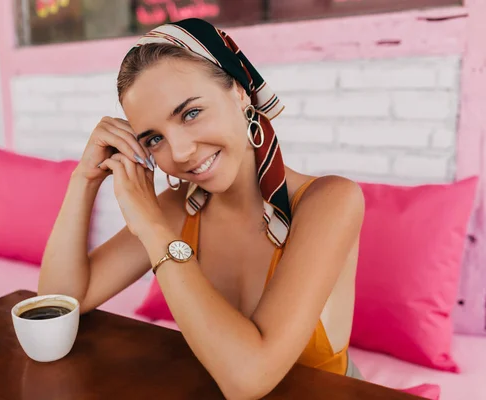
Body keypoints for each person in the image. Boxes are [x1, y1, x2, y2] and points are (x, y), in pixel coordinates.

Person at [39, 18, 365, 399]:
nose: (179, 153)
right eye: (154, 138)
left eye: (191, 113)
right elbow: (57, 303)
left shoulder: (329, 202)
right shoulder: (179, 210)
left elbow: (248, 379)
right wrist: (84, 179)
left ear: (240, 92)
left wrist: (152, 227)